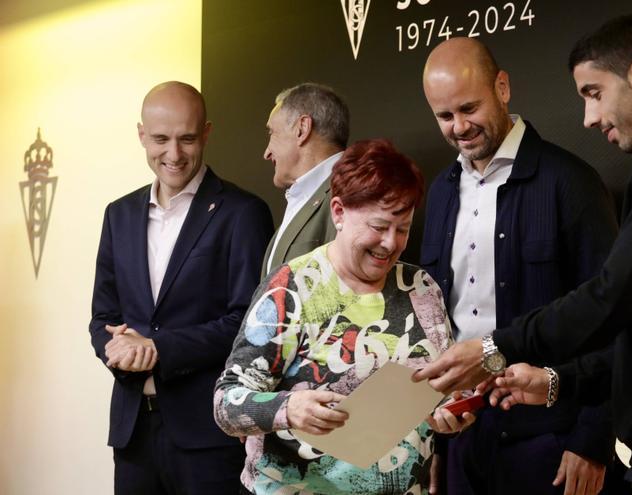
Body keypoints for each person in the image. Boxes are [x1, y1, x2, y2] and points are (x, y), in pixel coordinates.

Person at [414, 15, 632, 495]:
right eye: (443, 115)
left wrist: (496, 350)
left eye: (594, 93)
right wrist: (554, 382)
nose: (589, 118)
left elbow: (611, 298)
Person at [419, 37, 621, 495]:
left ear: (503, 87)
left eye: (469, 108)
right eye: (444, 116)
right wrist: (433, 443)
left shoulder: (569, 182)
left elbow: (613, 318)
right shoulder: (441, 193)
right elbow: (435, 325)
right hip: (462, 437)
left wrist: (592, 440)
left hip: (549, 441)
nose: (459, 127)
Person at [214, 139, 471, 495]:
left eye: (403, 228)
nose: (390, 243)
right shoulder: (291, 288)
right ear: (338, 212)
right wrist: (287, 408)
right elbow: (226, 402)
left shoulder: (421, 287)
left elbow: (445, 386)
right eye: (378, 226)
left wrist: (453, 410)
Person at [89, 81, 274, 494]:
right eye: (160, 140)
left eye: (187, 139)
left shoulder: (243, 213)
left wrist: (158, 348)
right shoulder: (118, 215)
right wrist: (116, 348)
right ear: (141, 135)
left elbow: (248, 325)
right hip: (132, 432)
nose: (173, 155)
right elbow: (103, 317)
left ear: (206, 133)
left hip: (207, 436)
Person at [261, 83, 349, 276]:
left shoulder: (351, 195)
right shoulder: (302, 196)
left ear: (302, 128)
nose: (267, 153)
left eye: (272, 133)